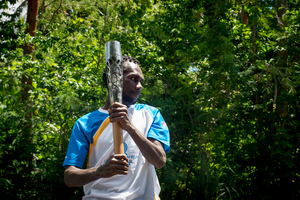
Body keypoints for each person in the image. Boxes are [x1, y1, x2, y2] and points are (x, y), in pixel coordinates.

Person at [63, 56, 170, 200]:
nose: (140, 86)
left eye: (141, 81)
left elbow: (159, 161)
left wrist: (130, 127)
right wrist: (99, 171)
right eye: (133, 79)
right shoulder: (85, 123)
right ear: (114, 79)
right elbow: (69, 177)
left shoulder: (150, 114)